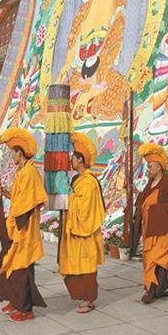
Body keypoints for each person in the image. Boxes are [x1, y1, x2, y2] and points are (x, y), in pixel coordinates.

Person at [57, 0, 129, 121]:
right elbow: (74, 41)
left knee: (118, 90)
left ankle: (87, 104)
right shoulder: (85, 9)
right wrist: (66, 67)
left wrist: (99, 72)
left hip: (103, 70)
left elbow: (115, 40)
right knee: (62, 98)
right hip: (80, 73)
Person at [0, 127, 48, 322]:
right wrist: (7, 194)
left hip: (23, 228)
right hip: (16, 224)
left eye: (13, 152)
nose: (11, 156)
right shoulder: (21, 172)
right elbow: (20, 199)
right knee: (7, 263)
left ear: (20, 152)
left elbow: (28, 203)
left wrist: (13, 215)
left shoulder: (30, 173)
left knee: (21, 267)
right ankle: (14, 300)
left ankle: (25, 309)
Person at [58, 133, 105, 313]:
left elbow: (85, 208)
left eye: (73, 158)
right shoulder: (77, 179)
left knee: (86, 264)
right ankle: (82, 295)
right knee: (73, 264)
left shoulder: (89, 182)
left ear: (80, 159)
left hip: (86, 232)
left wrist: (69, 198)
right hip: (74, 232)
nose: (71, 161)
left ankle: (89, 299)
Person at [133, 143, 168, 304]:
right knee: (150, 259)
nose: (149, 169)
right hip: (151, 228)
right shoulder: (151, 183)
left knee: (156, 260)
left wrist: (153, 210)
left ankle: (151, 291)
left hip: (163, 229)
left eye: (151, 165)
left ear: (159, 166)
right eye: (148, 166)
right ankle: (163, 289)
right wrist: (135, 192)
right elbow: (143, 201)